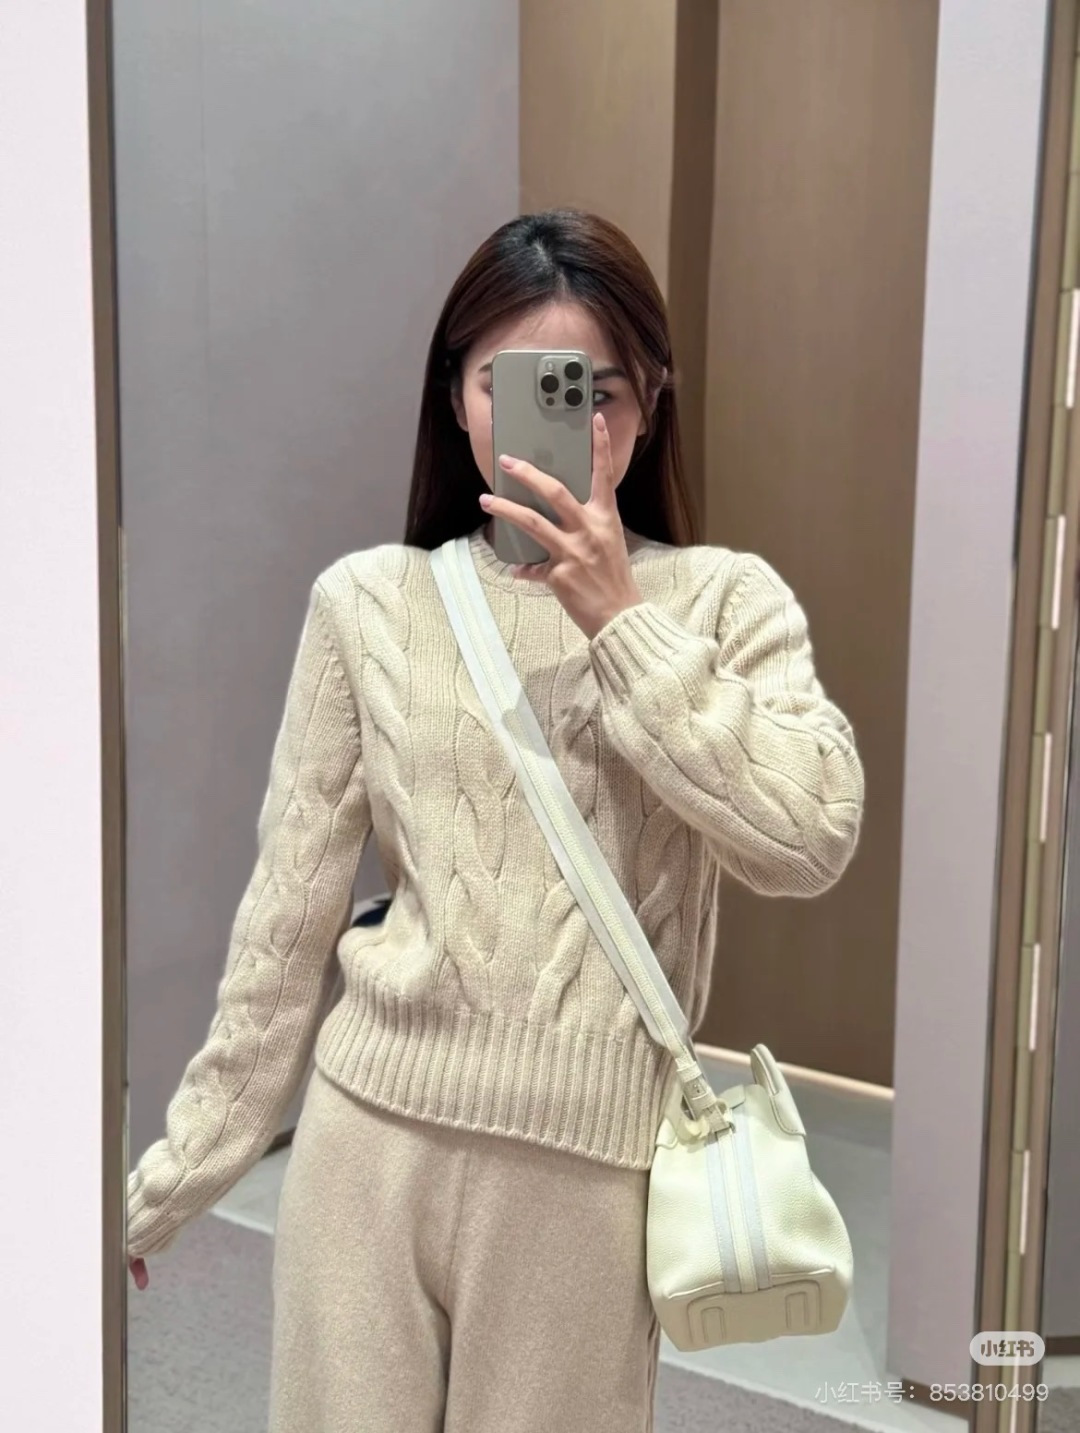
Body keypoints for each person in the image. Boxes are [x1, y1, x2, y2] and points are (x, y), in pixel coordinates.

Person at [126, 208, 866, 1432]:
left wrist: (622, 622)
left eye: (597, 390)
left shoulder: (723, 601)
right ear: (459, 397)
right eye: (510, 384)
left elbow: (809, 836)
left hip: (584, 1186)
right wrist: (178, 1174)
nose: (565, 422)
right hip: (365, 1148)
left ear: (651, 399)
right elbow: (285, 922)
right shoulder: (368, 603)